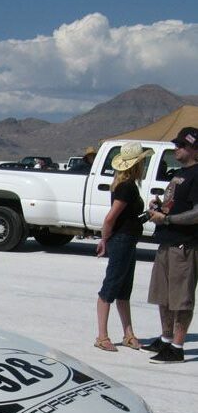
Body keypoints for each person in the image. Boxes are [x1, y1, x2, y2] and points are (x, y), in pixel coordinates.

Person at [144, 126, 198, 363]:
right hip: (166, 241)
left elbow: (197, 213)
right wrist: (158, 208)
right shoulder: (179, 173)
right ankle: (165, 340)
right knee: (163, 295)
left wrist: (167, 219)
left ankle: (177, 346)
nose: (176, 148)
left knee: (181, 298)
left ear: (194, 148)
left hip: (184, 246)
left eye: (181, 145)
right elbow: (173, 204)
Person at [93, 141, 153, 352]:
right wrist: (104, 240)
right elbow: (111, 218)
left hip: (128, 240)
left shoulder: (126, 186)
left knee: (124, 290)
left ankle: (128, 334)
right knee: (110, 288)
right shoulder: (126, 188)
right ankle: (102, 336)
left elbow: (129, 219)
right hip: (121, 241)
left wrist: (149, 213)